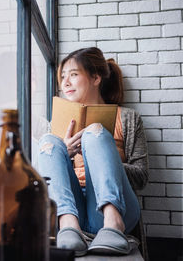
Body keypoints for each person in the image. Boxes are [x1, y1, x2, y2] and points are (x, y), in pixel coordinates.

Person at [37, 47, 148, 256]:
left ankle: (113, 223)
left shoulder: (128, 118)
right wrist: (66, 152)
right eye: (62, 76)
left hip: (118, 209)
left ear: (95, 78)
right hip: (73, 211)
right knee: (48, 141)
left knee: (94, 131)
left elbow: (142, 177)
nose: (65, 83)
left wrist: (101, 161)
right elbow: (47, 179)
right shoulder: (58, 123)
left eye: (73, 74)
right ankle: (68, 225)